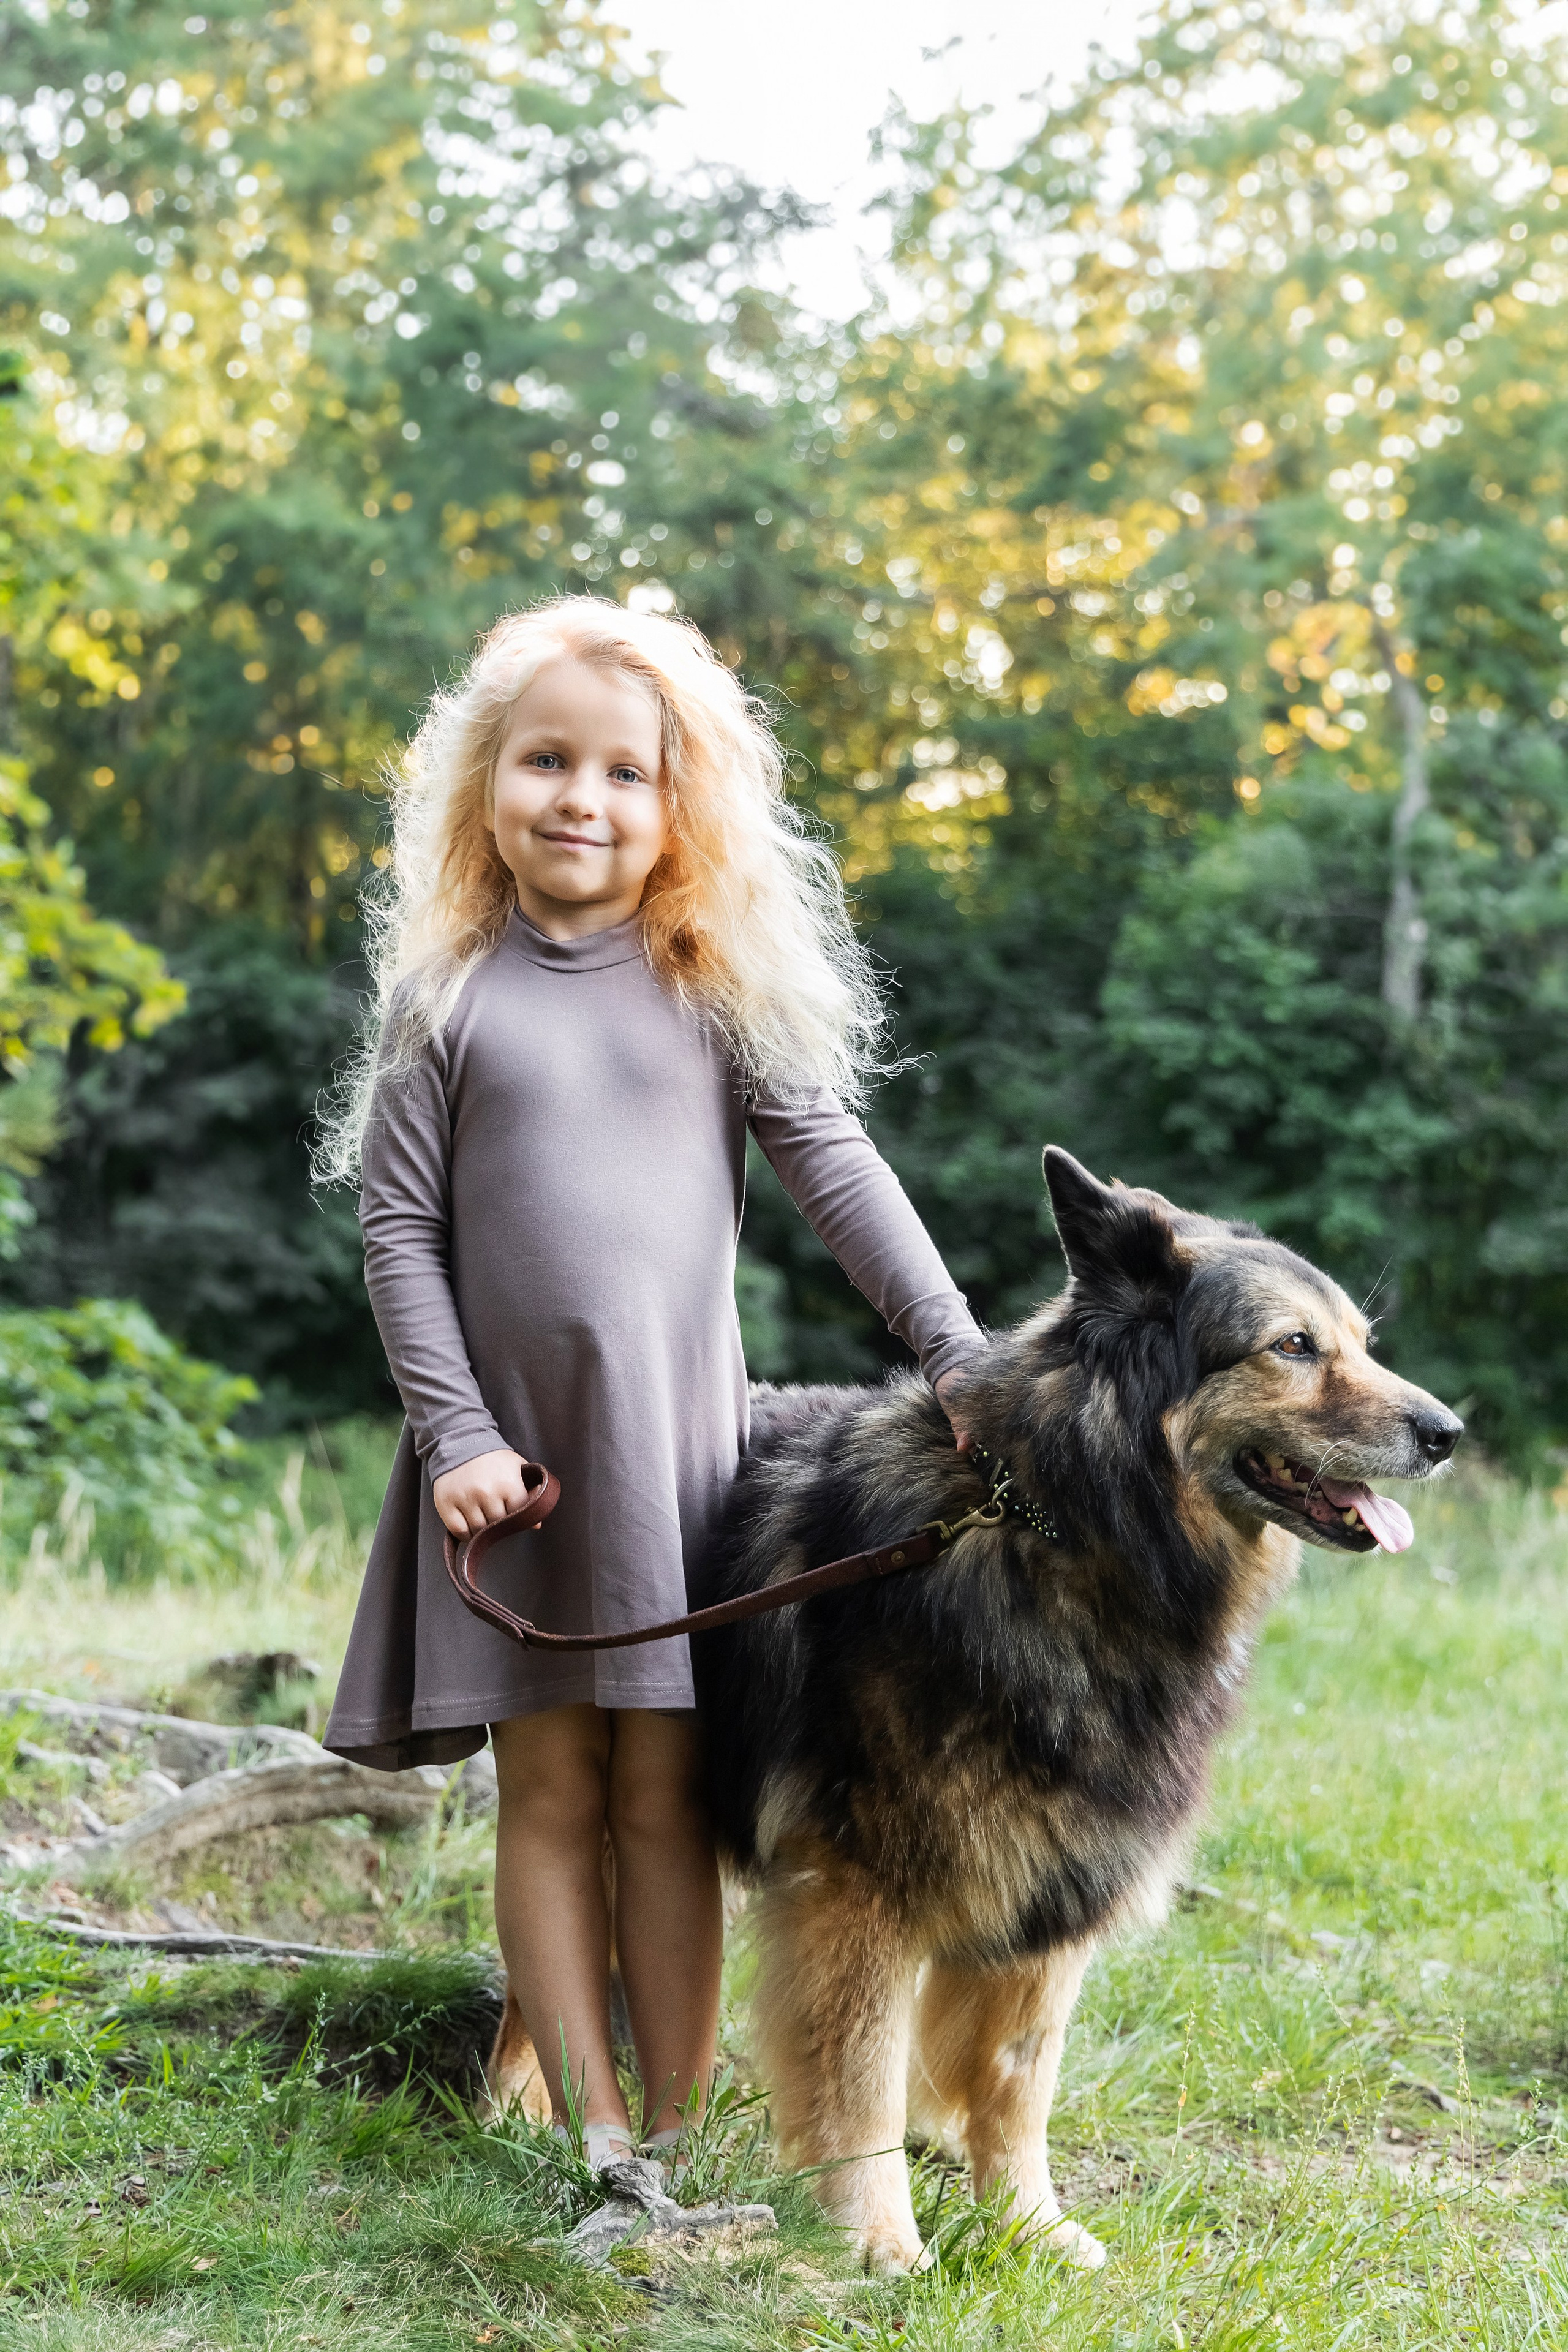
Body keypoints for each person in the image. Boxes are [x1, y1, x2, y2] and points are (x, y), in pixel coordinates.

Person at [318, 596, 984, 2169]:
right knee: (546, 1794)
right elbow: (398, 1237)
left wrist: (953, 1348)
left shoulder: (706, 988)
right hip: (511, 1477)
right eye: (546, 760)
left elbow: (836, 1168)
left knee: (666, 1803)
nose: (581, 798)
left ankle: (678, 2139)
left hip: (678, 1468)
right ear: (482, 782)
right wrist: (458, 1435)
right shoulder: (447, 1001)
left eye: (624, 773)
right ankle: (597, 2139)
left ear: (678, 806)